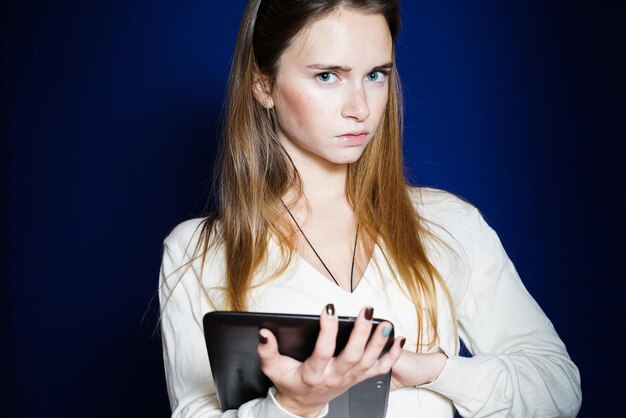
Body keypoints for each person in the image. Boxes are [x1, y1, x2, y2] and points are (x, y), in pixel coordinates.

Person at [158, 0, 582, 417]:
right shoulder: (197, 252)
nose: (359, 107)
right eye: (328, 76)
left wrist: (431, 369)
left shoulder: (449, 224)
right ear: (263, 84)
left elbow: (558, 387)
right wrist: (291, 407)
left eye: (376, 75)